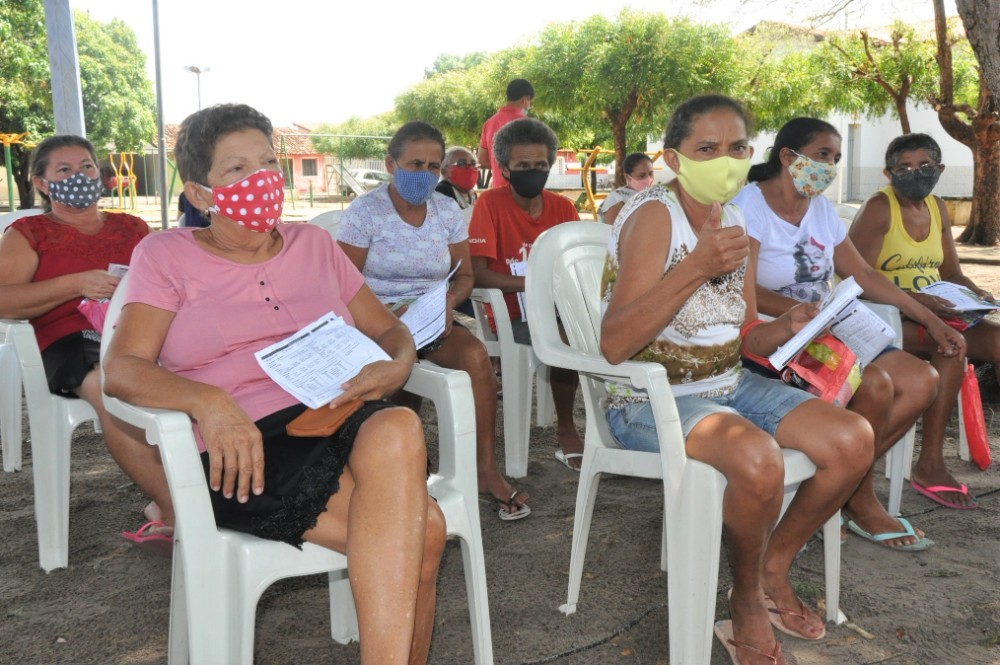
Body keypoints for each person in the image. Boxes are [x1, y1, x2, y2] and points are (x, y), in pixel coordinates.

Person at [101, 104, 445, 664]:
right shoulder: (165, 256)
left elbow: (386, 328)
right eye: (236, 169)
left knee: (400, 420)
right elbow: (122, 368)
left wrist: (397, 364)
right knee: (426, 533)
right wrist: (206, 401)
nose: (260, 178)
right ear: (201, 193)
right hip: (246, 445)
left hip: (336, 411)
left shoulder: (314, 245)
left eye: (266, 161)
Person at [600, 94, 873, 664]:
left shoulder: (734, 216)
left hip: (727, 381)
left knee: (852, 440)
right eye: (707, 148)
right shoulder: (655, 215)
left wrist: (792, 325)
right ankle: (746, 595)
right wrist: (695, 266)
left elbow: (746, 333)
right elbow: (615, 342)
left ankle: (771, 566)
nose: (725, 160)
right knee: (757, 458)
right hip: (649, 397)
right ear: (675, 158)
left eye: (737, 148)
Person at [733, 117, 966, 550]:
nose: (830, 167)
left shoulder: (819, 208)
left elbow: (860, 274)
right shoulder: (749, 206)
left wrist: (928, 317)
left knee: (922, 381)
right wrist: (807, 313)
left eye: (836, 158)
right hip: (775, 332)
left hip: (827, 323)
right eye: (822, 155)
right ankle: (855, 497)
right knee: (874, 383)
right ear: (788, 156)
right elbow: (746, 293)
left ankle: (837, 489)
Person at [337, 121, 529, 521]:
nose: (424, 174)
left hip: (433, 316)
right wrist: (385, 316)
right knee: (398, 380)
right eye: (415, 163)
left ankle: (484, 470)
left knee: (476, 358)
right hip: (376, 318)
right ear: (391, 164)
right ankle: (397, 472)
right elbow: (343, 283)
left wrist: (447, 301)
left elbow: (464, 275)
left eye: (433, 166)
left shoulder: (446, 210)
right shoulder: (366, 211)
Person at [0, 135, 173, 545]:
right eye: (64, 170)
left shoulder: (131, 227)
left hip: (140, 332)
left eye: (87, 167)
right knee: (106, 387)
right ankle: (177, 509)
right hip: (71, 339)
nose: (79, 177)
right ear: (42, 184)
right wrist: (75, 284)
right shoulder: (30, 232)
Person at [850, 132, 997, 510]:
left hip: (938, 313)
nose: (915, 174)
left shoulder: (938, 207)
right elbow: (857, 281)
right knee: (951, 348)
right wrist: (918, 302)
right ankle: (930, 463)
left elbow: (951, 271)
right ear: (889, 173)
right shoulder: (879, 210)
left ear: (940, 169)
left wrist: (974, 295)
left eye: (925, 166)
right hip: (888, 317)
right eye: (905, 168)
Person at [468, 117, 585, 470]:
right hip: (510, 314)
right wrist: (534, 284)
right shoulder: (489, 205)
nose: (533, 172)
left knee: (590, 330)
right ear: (503, 168)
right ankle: (567, 427)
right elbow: (477, 274)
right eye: (522, 166)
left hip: (559, 307)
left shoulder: (562, 208)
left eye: (540, 165)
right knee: (570, 337)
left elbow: (576, 264)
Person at [478, 78, 534, 188]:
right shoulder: (529, 125)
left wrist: (498, 166)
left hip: (497, 191)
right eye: (530, 103)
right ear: (524, 100)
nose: (529, 107)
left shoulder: (488, 124)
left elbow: (482, 161)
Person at [598, 152, 655, 226]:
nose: (648, 179)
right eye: (641, 175)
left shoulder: (655, 194)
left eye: (650, 174)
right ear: (627, 177)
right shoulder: (616, 199)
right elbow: (614, 232)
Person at [436, 146, 479, 214]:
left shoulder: (472, 194)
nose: (470, 168)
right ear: (445, 172)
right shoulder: (442, 192)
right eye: (462, 163)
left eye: (473, 164)